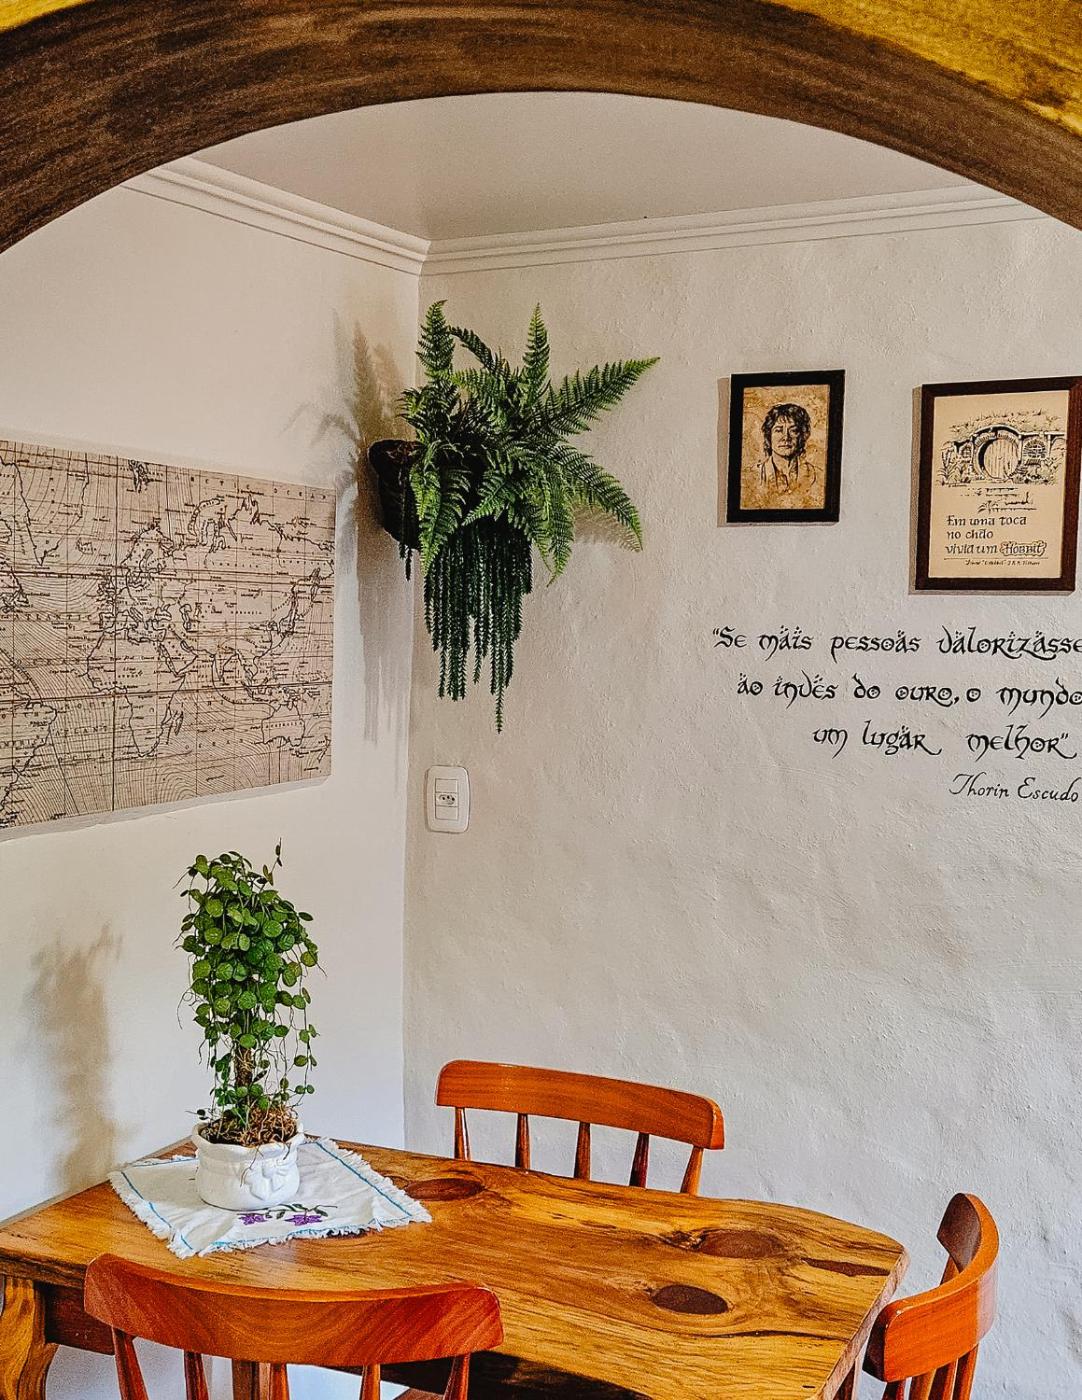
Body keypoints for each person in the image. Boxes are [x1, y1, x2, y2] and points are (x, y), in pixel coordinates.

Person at [756, 402, 814, 494]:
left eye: (793, 431)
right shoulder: (755, 474)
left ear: (802, 436)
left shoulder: (813, 473)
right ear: (769, 436)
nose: (786, 437)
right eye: (778, 430)